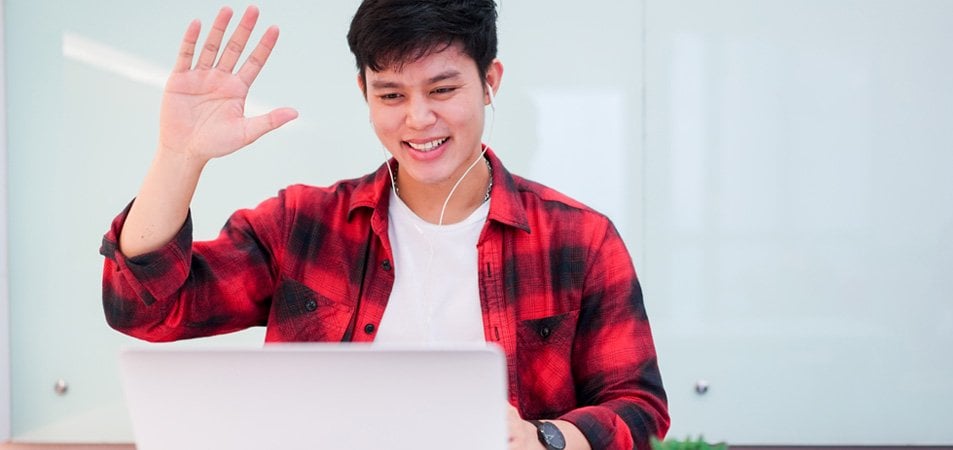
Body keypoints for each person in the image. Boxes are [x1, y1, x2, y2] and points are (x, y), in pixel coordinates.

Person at [99, 1, 669, 449]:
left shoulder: (580, 240)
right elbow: (145, 308)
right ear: (364, 94)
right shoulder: (303, 225)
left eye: (443, 89)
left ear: (490, 81)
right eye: (391, 94)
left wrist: (543, 438)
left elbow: (638, 409)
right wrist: (179, 156)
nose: (418, 119)